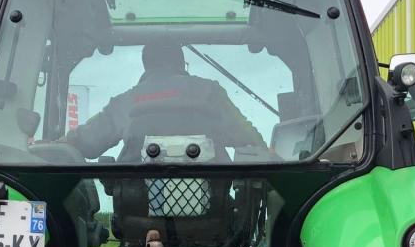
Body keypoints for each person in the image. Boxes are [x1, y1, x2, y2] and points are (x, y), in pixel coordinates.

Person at [65, 41, 267, 160]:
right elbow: (247, 137)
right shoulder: (210, 92)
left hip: (137, 206)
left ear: (146, 66)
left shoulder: (125, 102)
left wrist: (59, 143)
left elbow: (86, 142)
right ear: (181, 63)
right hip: (214, 206)